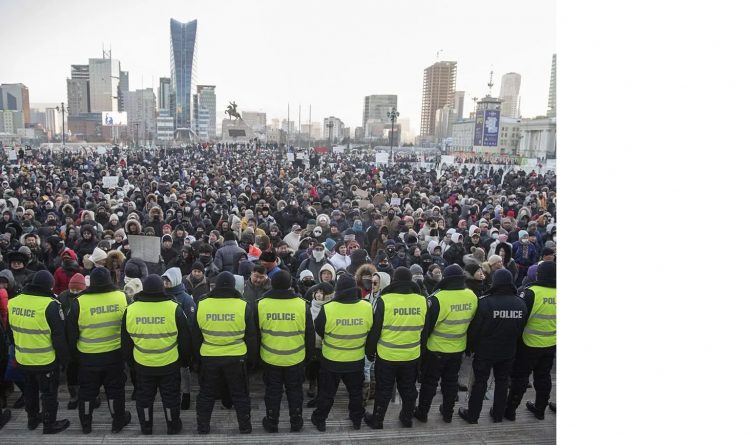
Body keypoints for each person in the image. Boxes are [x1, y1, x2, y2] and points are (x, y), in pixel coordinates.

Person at [121, 274, 191, 435]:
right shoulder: (174, 308)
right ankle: (173, 426)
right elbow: (185, 339)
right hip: (169, 363)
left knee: (144, 398)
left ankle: (146, 427)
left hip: (143, 363)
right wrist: (184, 361)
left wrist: (131, 363)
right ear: (162, 288)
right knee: (171, 398)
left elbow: (125, 341)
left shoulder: (131, 309)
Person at [66, 267, 131, 433]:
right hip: (114, 354)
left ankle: (86, 425)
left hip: (88, 356)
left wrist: (75, 356)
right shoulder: (121, 297)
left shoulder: (79, 302)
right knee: (115, 391)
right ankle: (118, 422)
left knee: (86, 392)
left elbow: (71, 333)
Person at [192, 271, 257, 434]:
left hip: (209, 355)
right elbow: (251, 335)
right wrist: (252, 360)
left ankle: (203, 426)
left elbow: (195, 334)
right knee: (239, 394)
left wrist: (196, 358)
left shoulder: (203, 304)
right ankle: (245, 426)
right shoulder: (243, 305)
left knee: (206, 394)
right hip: (236, 357)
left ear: (216, 285)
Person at [459, 269, 527, 424]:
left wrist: (470, 348)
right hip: (508, 351)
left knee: (480, 382)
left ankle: (473, 415)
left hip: (485, 351)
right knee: (502, 382)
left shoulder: (485, 302)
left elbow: (475, 330)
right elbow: (520, 328)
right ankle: (498, 415)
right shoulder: (520, 303)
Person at [7, 270, 71, 434]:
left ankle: (32, 419)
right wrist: (65, 361)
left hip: (23, 358)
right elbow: (59, 337)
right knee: (49, 394)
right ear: (50, 286)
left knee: (30, 390)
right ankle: (49, 424)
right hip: (45, 360)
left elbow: (10, 331)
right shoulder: (50, 305)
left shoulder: (14, 302)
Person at [364, 267, 426, 429]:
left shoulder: (385, 300)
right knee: (408, 389)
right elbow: (425, 330)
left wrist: (370, 352)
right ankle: (407, 418)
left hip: (387, 355)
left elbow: (376, 329)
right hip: (411, 355)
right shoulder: (421, 300)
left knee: (383, 390)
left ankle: (377, 420)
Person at [414, 264, 478, 423]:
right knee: (451, 382)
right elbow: (474, 323)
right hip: (458, 347)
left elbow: (427, 328)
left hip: (436, 349)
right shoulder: (471, 295)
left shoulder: (437, 298)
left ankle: (422, 412)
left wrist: (421, 351)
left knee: (429, 383)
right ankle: (448, 413)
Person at [310, 274, 373, 431]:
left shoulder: (328, 308)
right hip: (356, 359)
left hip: (332, 360)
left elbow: (319, 329)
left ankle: (320, 420)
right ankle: (357, 419)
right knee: (355, 393)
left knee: (327, 393)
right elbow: (371, 331)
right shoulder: (366, 307)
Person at [254, 270, 315, 433]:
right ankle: (296, 421)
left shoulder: (261, 304)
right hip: (295, 358)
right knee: (295, 391)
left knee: (273, 391)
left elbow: (256, 334)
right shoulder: (302, 304)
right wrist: (308, 357)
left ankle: (272, 421)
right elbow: (310, 334)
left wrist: (256, 358)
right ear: (290, 285)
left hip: (270, 357)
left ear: (272, 283)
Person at [505, 261, 556, 421]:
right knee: (543, 376)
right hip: (550, 342)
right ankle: (540, 409)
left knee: (520, 378)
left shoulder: (531, 293)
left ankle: (510, 410)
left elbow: (519, 319)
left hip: (528, 343)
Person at [162, 267, 197, 410]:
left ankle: (186, 394)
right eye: (164, 280)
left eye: (168, 280)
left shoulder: (186, 299)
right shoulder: (163, 296)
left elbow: (191, 321)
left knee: (184, 370)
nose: (165, 283)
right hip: (167, 341)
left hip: (182, 341)